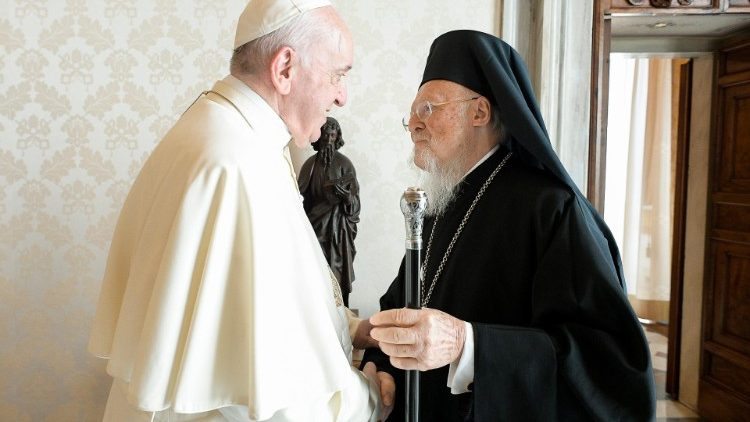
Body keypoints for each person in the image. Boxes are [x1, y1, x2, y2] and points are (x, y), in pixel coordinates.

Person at [88, 1, 390, 421]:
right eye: (338, 75)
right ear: (285, 68)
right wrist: (370, 399)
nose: (342, 95)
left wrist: (351, 328)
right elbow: (271, 400)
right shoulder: (236, 164)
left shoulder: (227, 130)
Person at [363, 30, 656, 421]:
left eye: (428, 109)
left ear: (479, 112)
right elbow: (402, 304)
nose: (413, 125)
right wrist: (379, 366)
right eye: (412, 113)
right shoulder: (440, 202)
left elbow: (604, 362)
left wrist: (469, 345)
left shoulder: (552, 209)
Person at [298, 117, 361, 307]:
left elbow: (355, 201)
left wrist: (347, 198)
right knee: (315, 274)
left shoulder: (345, 164)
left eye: (332, 136)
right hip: (314, 228)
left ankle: (343, 314)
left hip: (338, 232)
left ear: (337, 137)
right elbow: (299, 199)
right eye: (325, 135)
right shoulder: (309, 166)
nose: (328, 140)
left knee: (338, 273)